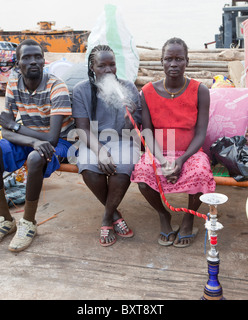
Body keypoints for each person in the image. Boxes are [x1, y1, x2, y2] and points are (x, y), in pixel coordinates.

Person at [0, 39, 74, 252]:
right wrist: (31, 140)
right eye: (27, 58)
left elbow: (51, 138)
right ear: (17, 63)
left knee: (35, 157)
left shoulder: (57, 87)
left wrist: (16, 127)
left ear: (43, 60)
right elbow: (5, 130)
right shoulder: (14, 83)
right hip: (33, 140)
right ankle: (4, 219)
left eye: (37, 57)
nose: (33, 61)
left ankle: (28, 222)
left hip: (63, 143)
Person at [131, 37, 216, 248]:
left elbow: (200, 132)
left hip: (190, 151)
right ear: (161, 61)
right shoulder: (148, 92)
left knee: (200, 171)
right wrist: (160, 159)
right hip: (159, 150)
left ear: (187, 61)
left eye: (179, 59)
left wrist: (182, 159)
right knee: (143, 174)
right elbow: (147, 130)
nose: (174, 64)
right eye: (169, 59)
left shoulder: (200, 90)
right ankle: (163, 215)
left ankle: (189, 219)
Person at [71, 45, 141, 247]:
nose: (108, 70)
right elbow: (82, 129)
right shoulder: (81, 90)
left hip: (123, 139)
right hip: (93, 140)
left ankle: (106, 217)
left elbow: (132, 130)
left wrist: (130, 113)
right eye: (102, 65)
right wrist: (100, 151)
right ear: (92, 67)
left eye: (112, 65)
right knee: (88, 167)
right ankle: (116, 214)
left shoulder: (128, 88)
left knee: (123, 167)